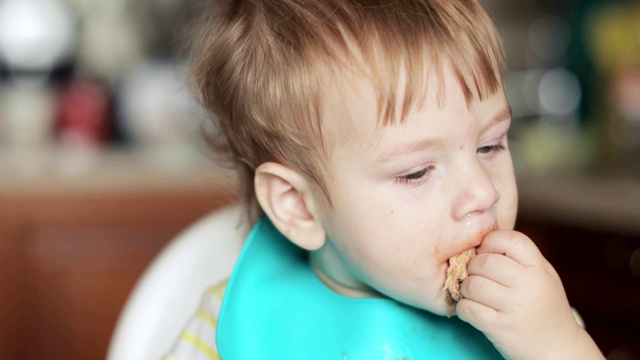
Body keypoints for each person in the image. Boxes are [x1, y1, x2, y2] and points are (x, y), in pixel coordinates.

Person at [165, 0, 605, 359]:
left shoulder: (530, 320)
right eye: (416, 172)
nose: (483, 193)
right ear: (297, 205)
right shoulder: (235, 326)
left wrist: (558, 346)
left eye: (489, 145)